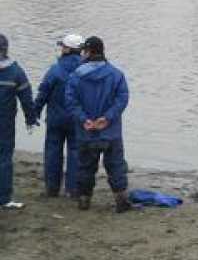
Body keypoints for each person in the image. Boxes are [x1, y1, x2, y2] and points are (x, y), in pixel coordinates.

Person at [65, 36, 132, 213]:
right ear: (102, 51)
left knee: (85, 166)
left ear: (88, 52)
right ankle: (121, 201)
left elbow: (71, 102)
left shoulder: (75, 76)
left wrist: (83, 119)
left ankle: (84, 200)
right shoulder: (116, 74)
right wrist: (107, 118)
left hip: (86, 131)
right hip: (110, 131)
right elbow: (122, 99)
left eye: (84, 51)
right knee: (116, 166)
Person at [33, 34, 85, 198]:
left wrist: (34, 113)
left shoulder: (55, 69)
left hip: (56, 118)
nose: (61, 48)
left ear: (68, 49)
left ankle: (52, 188)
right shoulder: (86, 71)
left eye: (62, 46)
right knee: (76, 152)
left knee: (52, 151)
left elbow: (43, 92)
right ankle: (73, 189)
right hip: (78, 118)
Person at [0, 33, 38, 209]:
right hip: (4, 124)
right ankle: (5, 198)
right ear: (6, 49)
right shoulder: (15, 72)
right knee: (4, 160)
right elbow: (26, 98)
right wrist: (31, 119)